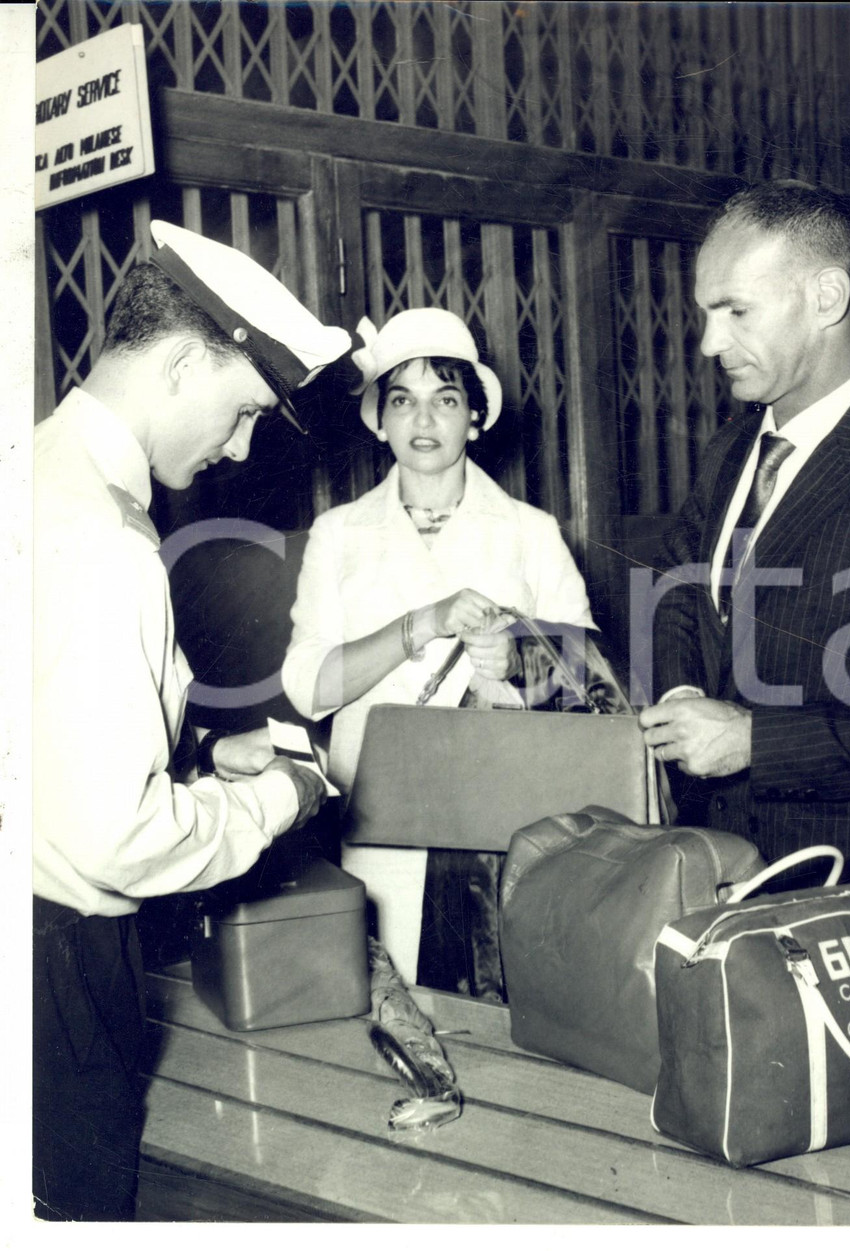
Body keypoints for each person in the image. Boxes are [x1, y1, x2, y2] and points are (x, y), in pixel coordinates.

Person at [33, 220, 353, 1221]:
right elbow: (115, 839)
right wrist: (273, 798)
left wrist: (207, 748)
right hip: (60, 964)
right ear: (180, 363)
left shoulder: (33, 472)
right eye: (247, 409)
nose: (242, 446)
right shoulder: (102, 540)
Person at [638, 181, 850, 902]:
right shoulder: (731, 449)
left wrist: (757, 742)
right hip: (718, 875)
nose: (710, 343)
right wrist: (684, 688)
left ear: (827, 298)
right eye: (705, 314)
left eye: (736, 312)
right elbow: (679, 584)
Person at [282, 307, 594, 994]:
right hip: (380, 817)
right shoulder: (337, 535)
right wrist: (417, 625)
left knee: (507, 1006)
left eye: (446, 399)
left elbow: (590, 681)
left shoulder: (531, 532)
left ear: (474, 418)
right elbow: (308, 685)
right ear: (381, 420)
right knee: (394, 1005)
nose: (424, 421)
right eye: (403, 401)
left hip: (503, 818)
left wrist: (516, 662)